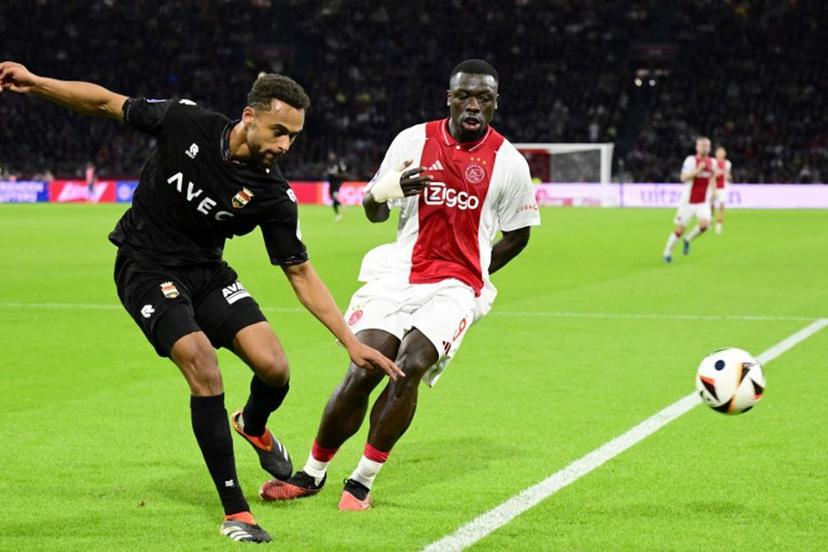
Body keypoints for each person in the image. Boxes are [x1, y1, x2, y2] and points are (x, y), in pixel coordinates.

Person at [0, 60, 401, 543]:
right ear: (248, 116)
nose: (284, 145)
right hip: (145, 265)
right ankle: (237, 511)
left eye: (293, 137)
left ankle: (253, 425)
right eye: (278, 131)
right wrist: (38, 83)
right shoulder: (184, 121)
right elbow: (106, 101)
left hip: (207, 273)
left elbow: (299, 271)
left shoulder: (273, 194)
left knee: (275, 368)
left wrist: (348, 340)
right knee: (202, 364)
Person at [260, 59, 541, 510]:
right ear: (448, 97)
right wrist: (387, 190)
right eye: (464, 96)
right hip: (397, 273)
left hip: (454, 286)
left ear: (495, 104)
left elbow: (520, 233)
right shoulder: (412, 141)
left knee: (409, 367)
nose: (473, 106)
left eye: (483, 99)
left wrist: (477, 273)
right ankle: (312, 474)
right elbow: (372, 209)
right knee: (364, 368)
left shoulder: (509, 163)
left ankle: (362, 480)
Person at [663, 136, 716, 262]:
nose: (704, 148)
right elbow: (683, 178)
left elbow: (712, 178)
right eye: (702, 145)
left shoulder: (712, 162)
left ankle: (688, 239)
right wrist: (698, 170)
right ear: (697, 147)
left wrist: (713, 195)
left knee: (705, 225)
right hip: (688, 202)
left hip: (703, 202)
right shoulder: (691, 160)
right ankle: (667, 252)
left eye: (707, 146)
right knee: (679, 230)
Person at [712, 146, 732, 234]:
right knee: (710, 206)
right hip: (712, 187)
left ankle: (719, 226)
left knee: (721, 206)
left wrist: (728, 177)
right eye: (718, 152)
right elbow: (711, 176)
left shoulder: (727, 163)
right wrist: (717, 174)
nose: (720, 154)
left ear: (725, 154)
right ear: (716, 154)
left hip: (723, 187)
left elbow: (727, 175)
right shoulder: (712, 162)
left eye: (722, 152)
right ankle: (709, 221)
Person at [325, 151, 348, 221]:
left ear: (334, 156)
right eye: (329, 155)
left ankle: (340, 210)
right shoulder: (329, 164)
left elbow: (343, 170)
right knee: (333, 199)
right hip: (331, 183)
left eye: (331, 155)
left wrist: (341, 166)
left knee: (335, 197)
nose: (330, 157)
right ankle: (339, 211)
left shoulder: (338, 163)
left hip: (336, 183)